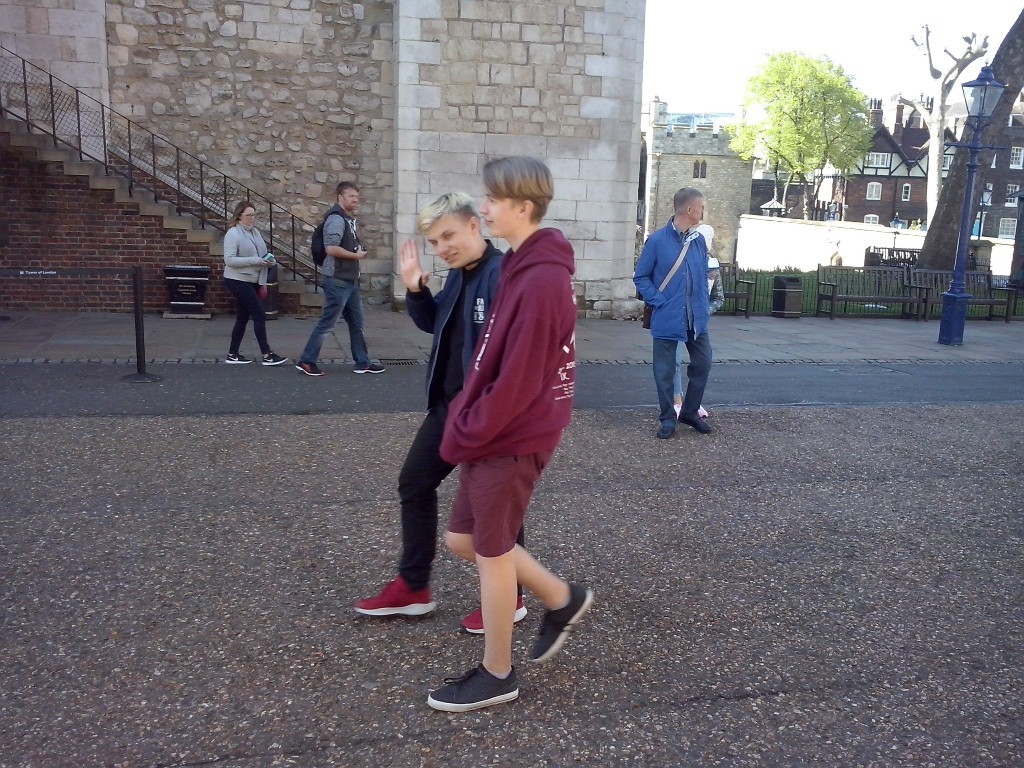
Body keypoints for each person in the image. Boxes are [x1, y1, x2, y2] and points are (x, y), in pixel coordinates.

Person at [425, 156, 593, 713]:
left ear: (523, 207)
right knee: (463, 539)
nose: (485, 208)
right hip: (495, 431)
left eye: (493, 200)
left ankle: (498, 673)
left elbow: (520, 379)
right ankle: (561, 598)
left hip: (512, 436)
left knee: (492, 551)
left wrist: (469, 428)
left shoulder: (542, 278)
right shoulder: (522, 265)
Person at [354, 192, 528, 633]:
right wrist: (416, 288)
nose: (442, 248)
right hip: (449, 407)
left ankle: (510, 597)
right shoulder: (458, 275)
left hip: (486, 414)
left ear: (474, 225)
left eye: (448, 235)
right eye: (434, 242)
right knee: (415, 483)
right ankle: (414, 587)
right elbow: (436, 323)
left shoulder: (502, 275)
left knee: (495, 507)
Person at [633, 187, 713, 439]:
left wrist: (703, 307)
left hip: (695, 318)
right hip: (668, 316)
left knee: (703, 363)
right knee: (665, 372)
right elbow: (641, 277)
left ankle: (689, 412)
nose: (703, 211)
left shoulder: (699, 241)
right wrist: (660, 302)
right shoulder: (657, 241)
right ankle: (668, 418)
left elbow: (702, 276)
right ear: (689, 209)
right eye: (701, 207)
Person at [295, 181, 384, 376]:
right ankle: (307, 361)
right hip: (337, 280)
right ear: (340, 198)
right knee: (328, 323)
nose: (356, 200)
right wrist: (356, 256)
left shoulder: (347, 220)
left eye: (357, 196)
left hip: (349, 280)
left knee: (357, 324)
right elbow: (331, 248)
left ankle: (362, 362)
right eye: (352, 196)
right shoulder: (336, 219)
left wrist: (356, 252)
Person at [221, 201, 288, 366]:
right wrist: (255, 260)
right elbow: (229, 260)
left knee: (242, 317)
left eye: (254, 215)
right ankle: (267, 354)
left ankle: (232, 354)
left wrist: (269, 261)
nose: (252, 218)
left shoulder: (255, 232)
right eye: (249, 215)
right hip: (237, 279)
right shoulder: (233, 233)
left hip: (253, 279)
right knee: (259, 314)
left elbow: (262, 254)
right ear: (239, 216)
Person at [672, 223, 722, 419]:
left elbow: (718, 297)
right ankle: (677, 401)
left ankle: (692, 404)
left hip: (698, 321)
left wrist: (704, 311)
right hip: (677, 317)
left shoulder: (712, 266)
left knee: (702, 362)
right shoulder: (681, 260)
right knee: (674, 360)